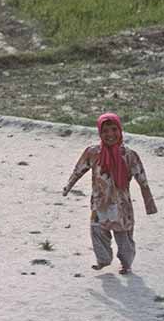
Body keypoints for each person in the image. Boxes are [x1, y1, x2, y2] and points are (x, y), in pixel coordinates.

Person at [62, 112, 158, 274]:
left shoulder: (128, 155)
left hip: (122, 205)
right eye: (105, 131)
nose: (110, 134)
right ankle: (103, 260)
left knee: (124, 236)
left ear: (120, 131)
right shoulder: (93, 153)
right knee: (97, 231)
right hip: (100, 203)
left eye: (114, 130)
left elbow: (142, 179)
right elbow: (79, 169)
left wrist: (149, 203)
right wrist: (68, 186)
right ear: (100, 133)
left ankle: (126, 264)